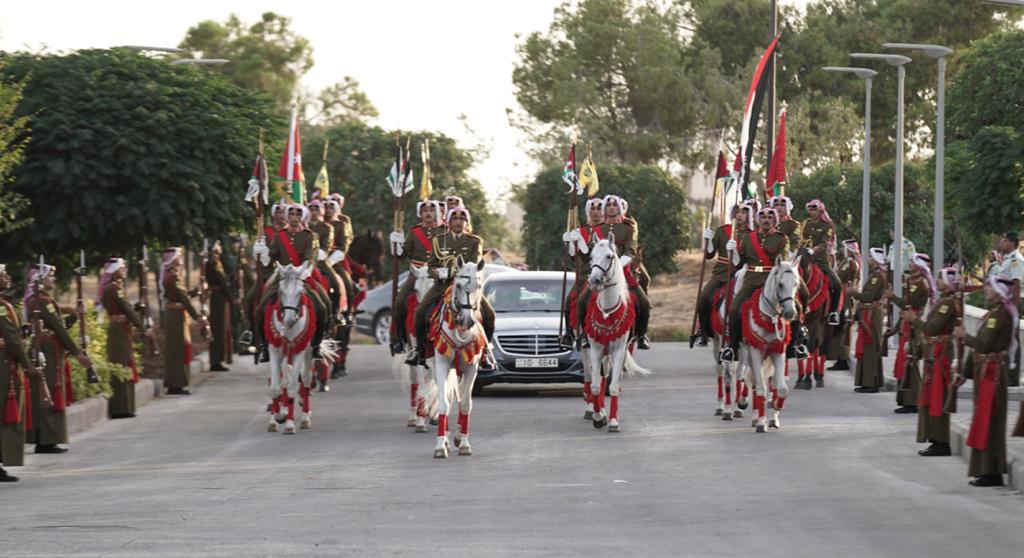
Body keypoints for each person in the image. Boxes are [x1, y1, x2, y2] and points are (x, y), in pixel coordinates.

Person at [407, 206, 496, 367]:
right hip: (442, 286)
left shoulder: (475, 241)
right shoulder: (439, 240)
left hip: (466, 287)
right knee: (420, 312)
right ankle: (419, 350)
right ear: (448, 221)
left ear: (466, 222)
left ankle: (486, 353)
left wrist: (451, 271)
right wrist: (437, 273)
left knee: (489, 314)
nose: (458, 222)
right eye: (454, 218)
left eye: (462, 219)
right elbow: (431, 265)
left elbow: (473, 263)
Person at [954, 275, 1017, 487]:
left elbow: (984, 343)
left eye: (989, 288)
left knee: (991, 422)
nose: (986, 291)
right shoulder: (993, 314)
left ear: (999, 292)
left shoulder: (999, 316)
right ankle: (984, 470)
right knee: (984, 420)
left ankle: (992, 471)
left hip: (993, 374)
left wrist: (965, 336)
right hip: (986, 372)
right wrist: (965, 372)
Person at [24, 263, 91, 453]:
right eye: (50, 276)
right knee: (49, 393)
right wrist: (77, 352)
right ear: (40, 280)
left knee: (49, 392)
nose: (53, 279)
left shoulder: (41, 300)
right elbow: (59, 330)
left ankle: (46, 438)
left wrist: (75, 316)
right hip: (47, 352)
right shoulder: (42, 301)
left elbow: (57, 326)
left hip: (50, 350)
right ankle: (46, 439)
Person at [253, 203, 332, 360]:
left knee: (324, 306)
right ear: (288, 217)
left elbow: (310, 258)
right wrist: (262, 252)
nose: (294, 218)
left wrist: (301, 271)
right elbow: (273, 256)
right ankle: (263, 346)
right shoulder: (279, 235)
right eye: (291, 215)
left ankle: (317, 345)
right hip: (282, 275)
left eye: (297, 215)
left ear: (302, 217)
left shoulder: (310, 236)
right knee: (260, 307)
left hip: (302, 275)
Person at [720, 206, 789, 362]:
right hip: (751, 279)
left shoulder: (781, 239)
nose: (766, 219)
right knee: (734, 309)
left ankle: (797, 342)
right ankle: (732, 347)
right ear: (758, 220)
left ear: (775, 221)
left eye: (770, 217)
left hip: (771, 280)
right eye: (763, 217)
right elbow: (739, 263)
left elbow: (781, 263)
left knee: (793, 305)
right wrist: (733, 252)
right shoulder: (748, 238)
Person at [905, 266, 961, 457]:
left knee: (939, 398)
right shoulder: (942, 302)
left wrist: (914, 320)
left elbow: (932, 328)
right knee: (931, 398)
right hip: (934, 355)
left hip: (941, 356)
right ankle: (935, 439)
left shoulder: (948, 304)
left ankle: (942, 441)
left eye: (941, 279)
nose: (937, 282)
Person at [98, 258, 151, 417]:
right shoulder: (115, 289)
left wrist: (137, 307)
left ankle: (124, 406)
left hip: (119, 329)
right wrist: (143, 328)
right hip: (119, 331)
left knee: (123, 363)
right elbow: (126, 311)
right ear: (114, 271)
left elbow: (123, 309)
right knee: (122, 363)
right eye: (121, 268)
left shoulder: (111, 288)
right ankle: (121, 408)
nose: (125, 270)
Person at [389, 200, 443, 354]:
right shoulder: (414, 232)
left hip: (436, 272)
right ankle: (399, 339)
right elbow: (401, 256)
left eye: (431, 211)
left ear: (436, 213)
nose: (428, 213)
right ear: (420, 214)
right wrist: (396, 243)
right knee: (399, 301)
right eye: (424, 211)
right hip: (417, 272)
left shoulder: (444, 231)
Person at [889, 253, 935, 413]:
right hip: (907, 323)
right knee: (905, 360)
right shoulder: (911, 281)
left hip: (914, 325)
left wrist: (892, 297)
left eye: (913, 262)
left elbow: (908, 305)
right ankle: (906, 400)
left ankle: (914, 401)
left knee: (911, 361)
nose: (910, 264)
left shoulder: (921, 284)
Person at [604, 195, 651, 349]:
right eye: (608, 205)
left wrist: (616, 266)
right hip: (602, 274)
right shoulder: (597, 228)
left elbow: (631, 251)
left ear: (619, 208)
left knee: (644, 303)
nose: (611, 207)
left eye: (614, 205)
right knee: (582, 300)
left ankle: (642, 334)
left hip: (624, 272)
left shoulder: (629, 226)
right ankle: (580, 335)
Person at [562, 197, 610, 349]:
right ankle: (570, 333)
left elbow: (592, 254)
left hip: (603, 276)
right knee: (569, 301)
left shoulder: (608, 230)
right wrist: (569, 243)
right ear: (588, 212)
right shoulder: (580, 231)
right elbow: (574, 257)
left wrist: (582, 245)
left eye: (598, 209)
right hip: (584, 276)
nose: (595, 213)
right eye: (592, 209)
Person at [1, 264, 33, 481]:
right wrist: (27, 364)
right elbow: (12, 339)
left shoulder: (4, 305)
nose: (7, 277)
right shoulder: (1, 307)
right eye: (3, 275)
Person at [695, 204, 742, 346]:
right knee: (704, 297)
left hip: (740, 273)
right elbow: (709, 255)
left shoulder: (751, 233)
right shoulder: (722, 231)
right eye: (736, 212)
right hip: (721, 273)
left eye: (742, 213)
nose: (739, 215)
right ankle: (703, 331)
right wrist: (707, 241)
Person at [161, 248, 205, 395]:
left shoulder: (173, 275)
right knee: (177, 350)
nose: (181, 259)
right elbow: (184, 299)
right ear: (173, 259)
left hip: (176, 315)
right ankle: (176, 384)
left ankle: (177, 383)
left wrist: (196, 291)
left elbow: (183, 295)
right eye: (179, 256)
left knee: (178, 348)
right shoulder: (173, 277)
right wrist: (197, 316)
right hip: (175, 316)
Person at [847, 248, 888, 393]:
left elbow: (868, 297)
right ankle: (866, 381)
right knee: (865, 347)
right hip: (867, 313)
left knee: (871, 348)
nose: (869, 259)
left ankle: (872, 382)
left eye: (870, 257)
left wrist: (853, 292)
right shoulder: (875, 275)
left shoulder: (878, 277)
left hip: (872, 315)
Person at [801, 200, 842, 325]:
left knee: (837, 284)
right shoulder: (805, 224)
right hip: (804, 257)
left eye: (815, 209)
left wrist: (813, 251)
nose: (812, 212)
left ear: (820, 210)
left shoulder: (827, 225)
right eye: (810, 209)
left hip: (820, 260)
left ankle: (833, 313)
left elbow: (825, 244)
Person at [827, 239, 861, 371]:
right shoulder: (848, 262)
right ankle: (840, 357)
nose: (842, 250)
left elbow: (838, 277)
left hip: (845, 298)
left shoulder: (849, 262)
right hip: (844, 296)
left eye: (844, 248)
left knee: (843, 328)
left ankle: (843, 357)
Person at [205, 242, 232, 372]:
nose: (217, 255)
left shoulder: (215, 264)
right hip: (217, 298)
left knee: (220, 329)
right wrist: (232, 299)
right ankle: (215, 361)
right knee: (217, 328)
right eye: (215, 253)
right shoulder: (213, 265)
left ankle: (218, 360)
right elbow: (222, 282)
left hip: (219, 298)